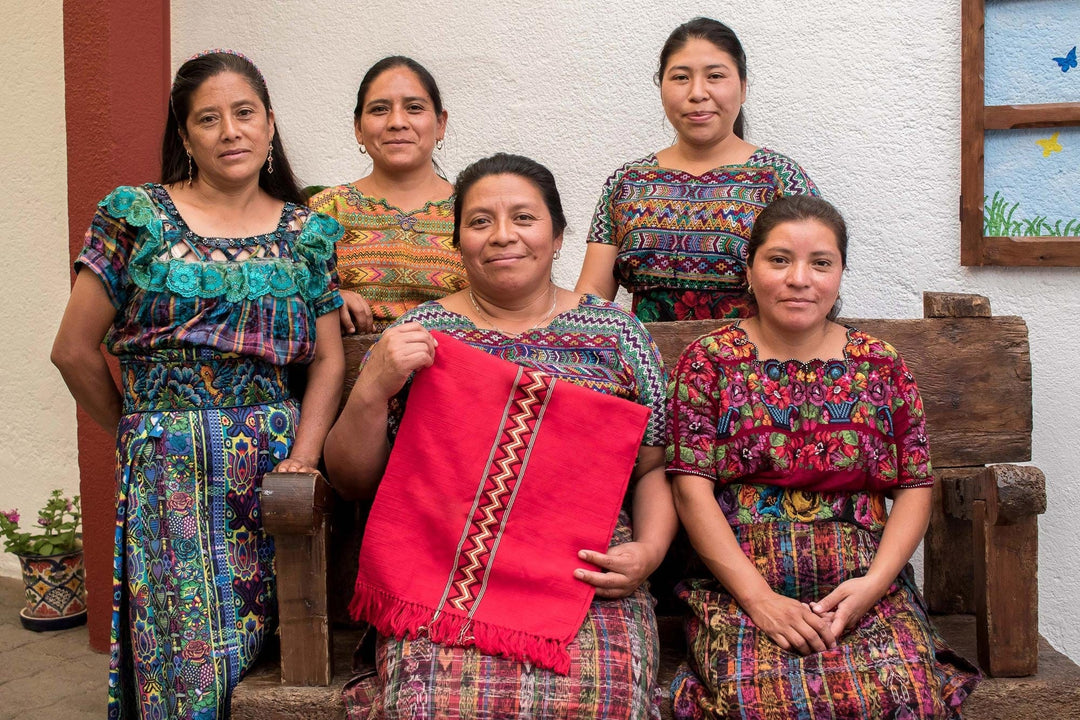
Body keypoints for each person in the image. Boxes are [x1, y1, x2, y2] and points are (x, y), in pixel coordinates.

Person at [325, 153, 677, 719]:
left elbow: (655, 465)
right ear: (458, 240)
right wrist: (372, 386)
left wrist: (649, 552)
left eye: (524, 218)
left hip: (582, 571)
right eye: (481, 221)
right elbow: (350, 479)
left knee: (604, 694)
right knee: (430, 702)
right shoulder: (424, 337)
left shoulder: (615, 335)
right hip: (443, 569)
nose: (503, 235)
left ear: (558, 236)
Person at [50, 50, 345, 719]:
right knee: (180, 658)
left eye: (244, 113)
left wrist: (304, 452)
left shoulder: (306, 234)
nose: (229, 131)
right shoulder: (137, 219)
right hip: (167, 473)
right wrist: (139, 430)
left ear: (270, 125)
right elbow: (72, 350)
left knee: (264, 645)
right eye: (207, 119)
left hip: (271, 471)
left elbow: (327, 361)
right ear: (185, 137)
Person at [665, 195, 980, 718]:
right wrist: (760, 602)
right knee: (760, 703)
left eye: (821, 263)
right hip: (741, 582)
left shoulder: (880, 365)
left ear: (840, 274)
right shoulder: (709, 362)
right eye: (779, 259)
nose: (799, 279)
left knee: (903, 697)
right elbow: (689, 487)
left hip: (861, 582)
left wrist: (872, 587)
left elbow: (915, 485)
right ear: (749, 270)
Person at [576, 17, 818, 322]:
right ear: (660, 86)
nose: (698, 93)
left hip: (751, 363)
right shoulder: (626, 183)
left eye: (715, 76)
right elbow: (593, 293)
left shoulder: (781, 180)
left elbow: (811, 284)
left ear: (743, 88)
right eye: (680, 78)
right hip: (647, 361)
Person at [308, 56, 468, 334]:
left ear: (440, 124)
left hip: (454, 370)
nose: (397, 122)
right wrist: (326, 300)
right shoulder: (324, 211)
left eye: (414, 108)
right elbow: (286, 304)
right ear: (358, 128)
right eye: (380, 109)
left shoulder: (473, 211)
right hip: (351, 374)